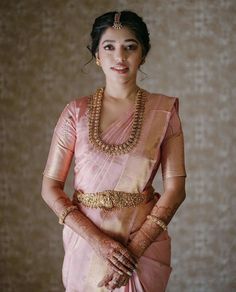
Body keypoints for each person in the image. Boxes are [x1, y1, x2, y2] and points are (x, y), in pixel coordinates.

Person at [41, 10, 186, 292]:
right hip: (86, 245)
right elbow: (50, 187)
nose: (120, 57)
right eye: (109, 47)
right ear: (97, 55)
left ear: (143, 54)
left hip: (143, 249)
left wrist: (133, 250)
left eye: (130, 47)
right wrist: (100, 243)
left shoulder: (164, 112)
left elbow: (176, 189)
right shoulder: (75, 113)